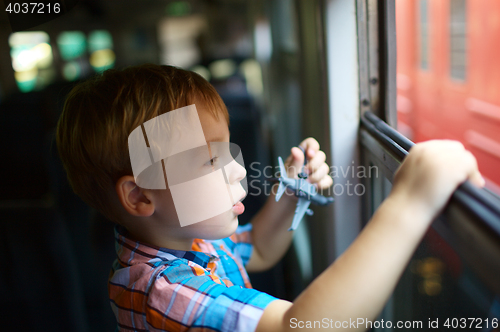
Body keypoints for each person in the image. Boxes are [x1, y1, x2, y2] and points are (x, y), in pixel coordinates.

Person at [56, 64, 484, 332]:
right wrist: (409, 203)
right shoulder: (161, 290)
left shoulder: (186, 240)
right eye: (209, 161)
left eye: (229, 152)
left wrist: (291, 189)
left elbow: (257, 247)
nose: (239, 170)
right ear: (139, 196)